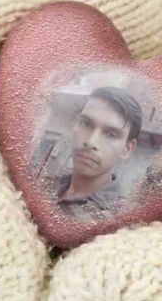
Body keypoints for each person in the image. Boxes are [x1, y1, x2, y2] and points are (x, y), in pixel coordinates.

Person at [45, 86, 142, 221]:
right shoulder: (45, 186)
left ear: (127, 149)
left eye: (111, 134)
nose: (91, 142)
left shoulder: (113, 222)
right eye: (86, 123)